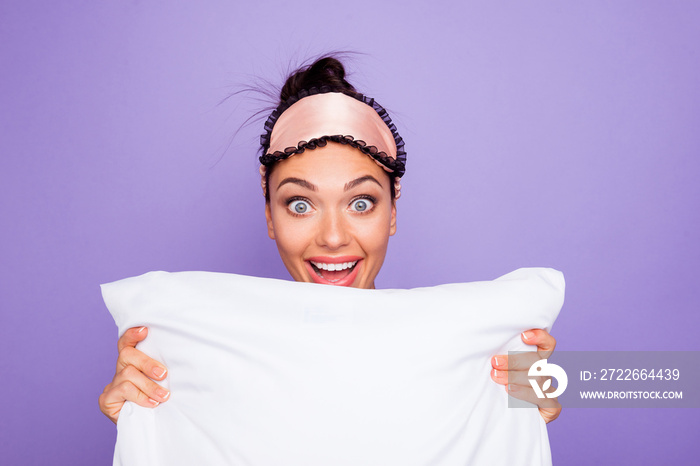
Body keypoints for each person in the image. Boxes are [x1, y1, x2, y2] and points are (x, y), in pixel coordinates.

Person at [99, 55, 561, 425]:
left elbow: (626, 384)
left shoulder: (468, 346)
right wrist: (145, 425)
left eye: (361, 203)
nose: (334, 237)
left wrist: (548, 392)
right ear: (269, 217)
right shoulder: (204, 362)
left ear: (393, 212)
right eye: (300, 204)